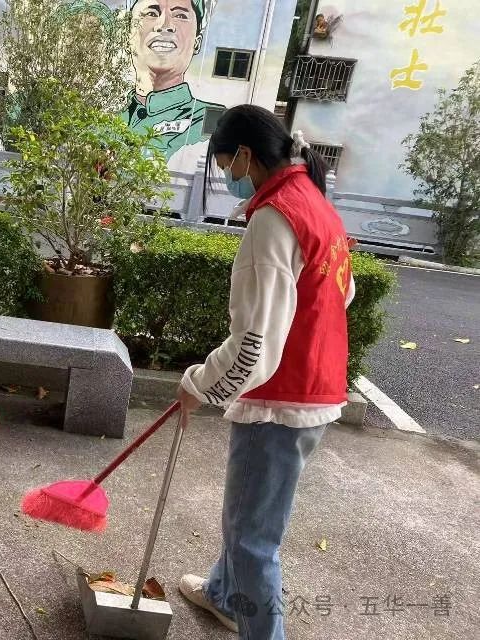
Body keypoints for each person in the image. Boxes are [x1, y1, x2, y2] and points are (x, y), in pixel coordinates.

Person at [175, 105, 355, 640]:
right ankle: (224, 596)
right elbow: (343, 294)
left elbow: (253, 345)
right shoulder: (317, 206)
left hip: (282, 400)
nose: (227, 176)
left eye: (225, 164)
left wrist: (199, 386)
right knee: (248, 515)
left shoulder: (275, 218)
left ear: (245, 155)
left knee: (253, 537)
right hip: (316, 389)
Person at [123, 0, 224, 161]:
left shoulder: (215, 121)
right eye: (151, 13)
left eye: (180, 15)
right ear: (127, 38)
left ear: (197, 43)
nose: (165, 25)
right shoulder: (104, 119)